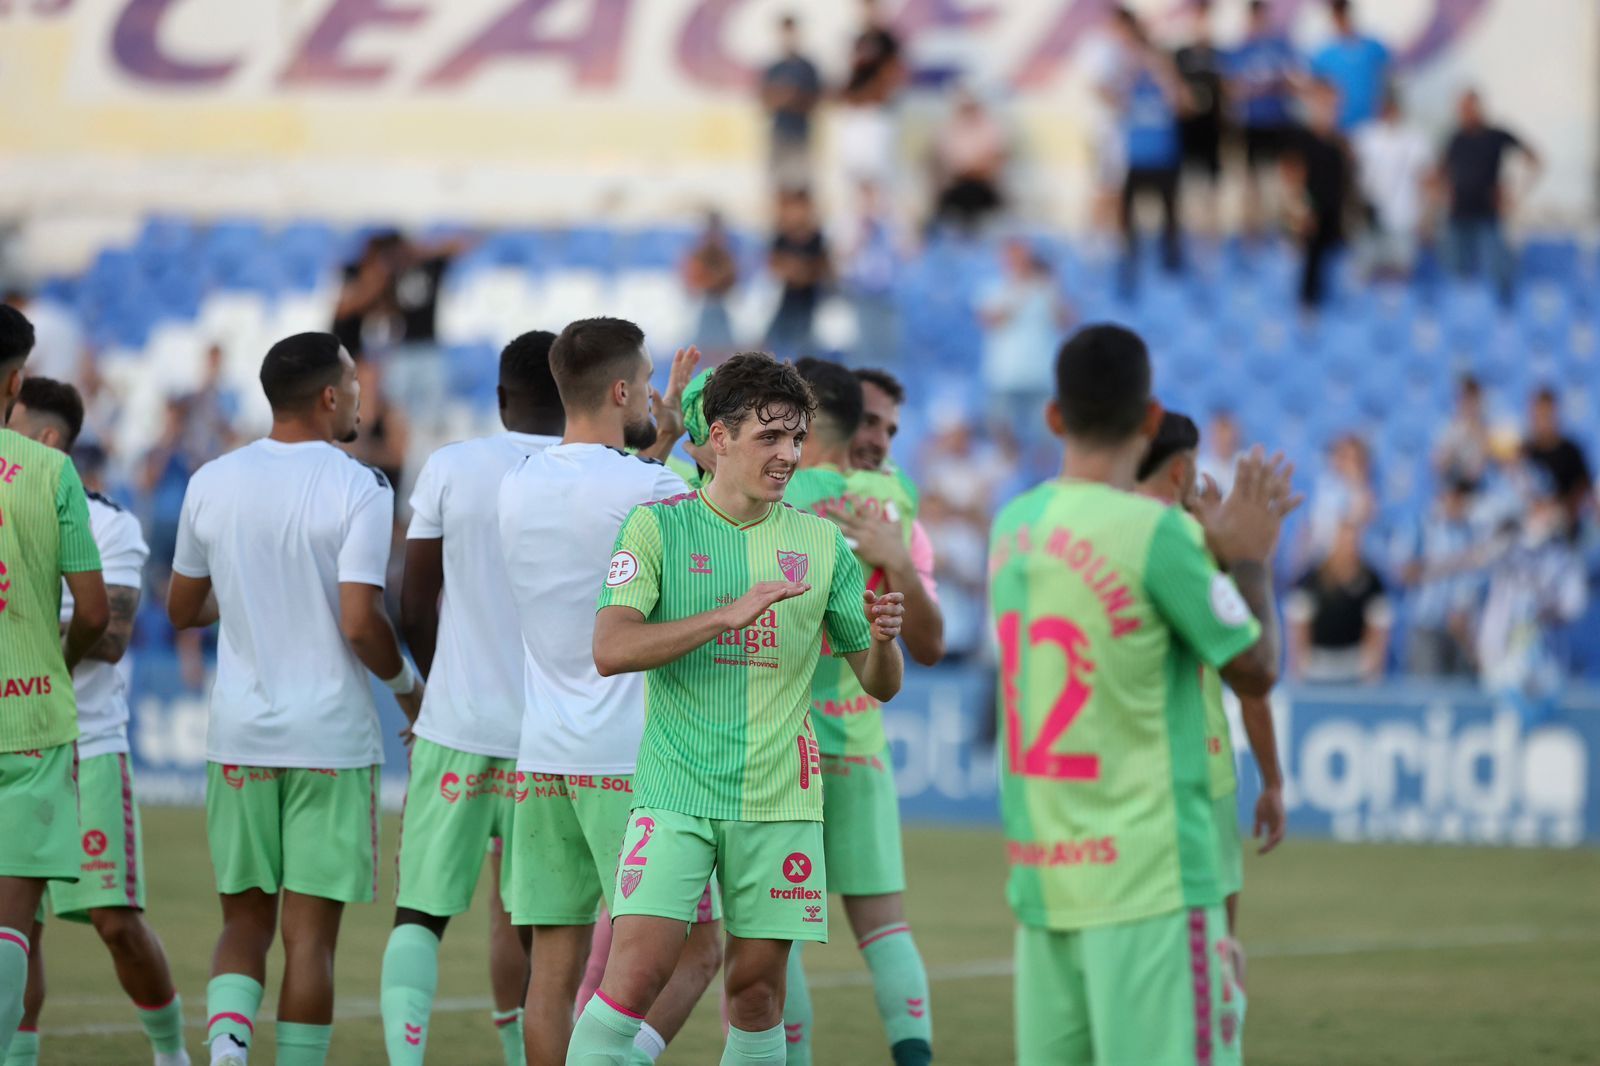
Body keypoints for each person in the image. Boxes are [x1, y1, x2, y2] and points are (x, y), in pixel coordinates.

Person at [567, 352, 906, 1065]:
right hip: (675, 792)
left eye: (795, 438)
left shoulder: (820, 544)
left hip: (779, 801)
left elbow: (880, 684)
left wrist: (882, 641)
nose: (787, 455)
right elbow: (611, 647)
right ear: (718, 437)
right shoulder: (656, 528)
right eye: (769, 438)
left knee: (757, 994)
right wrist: (727, 616)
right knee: (633, 978)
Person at [988, 323, 1294, 1065]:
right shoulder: (1158, 536)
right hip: (1147, 880)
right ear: (1150, 419)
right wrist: (1249, 561)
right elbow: (1253, 668)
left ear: (1055, 417)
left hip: (1045, 876)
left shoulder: (1015, 525)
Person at [167, 332, 426, 1066]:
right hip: (330, 742)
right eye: (352, 384)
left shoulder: (211, 481)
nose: (360, 397)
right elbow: (358, 621)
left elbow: (184, 608)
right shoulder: (360, 487)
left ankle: (225, 1051)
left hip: (240, 736)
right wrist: (410, 693)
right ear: (328, 397)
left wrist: (252, 588)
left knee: (242, 924)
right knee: (310, 939)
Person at [497, 320, 722, 1066]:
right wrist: (691, 434)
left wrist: (656, 444)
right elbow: (711, 549)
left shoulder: (519, 483)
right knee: (696, 949)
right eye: (648, 380)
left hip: (542, 758)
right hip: (633, 759)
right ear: (622, 390)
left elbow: (607, 504)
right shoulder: (651, 486)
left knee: (552, 976)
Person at [377, 330, 566, 1065]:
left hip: (456, 726)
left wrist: (435, 687)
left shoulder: (453, 466)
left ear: (498, 397)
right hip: (552, 740)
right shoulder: (603, 475)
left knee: (419, 913)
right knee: (539, 920)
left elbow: (413, 602)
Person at [6, 379, 187, 1066]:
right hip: (12, 739)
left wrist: (19, 633)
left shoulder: (109, 522)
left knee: (115, 923)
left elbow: (107, 634)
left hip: (87, 745)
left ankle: (172, 1054)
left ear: (49, 442)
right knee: (17, 925)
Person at [781, 360, 941, 1066]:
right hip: (862, 740)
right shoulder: (894, 496)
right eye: (872, 423)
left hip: (782, 746)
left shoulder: (770, 488)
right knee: (884, 929)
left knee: (768, 933)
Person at [0, 306, 110, 1064]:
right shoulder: (50, 470)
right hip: (31, 717)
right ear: (16, 379)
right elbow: (96, 613)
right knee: (11, 926)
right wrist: (58, 654)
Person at [1135, 412, 1287, 943]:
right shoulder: (1199, 555)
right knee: (1215, 945)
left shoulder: (1106, 542)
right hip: (1201, 772)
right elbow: (1252, 677)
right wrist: (1272, 781)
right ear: (1180, 470)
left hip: (1127, 778)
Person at [847, 367, 945, 670]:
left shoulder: (897, 512)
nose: (881, 442)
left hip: (859, 716)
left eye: (890, 432)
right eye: (868, 422)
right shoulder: (776, 490)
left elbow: (930, 649)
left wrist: (898, 561)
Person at [1440, 90, 1542, 304]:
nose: (1464, 113)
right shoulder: (1456, 138)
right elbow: (1442, 173)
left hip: (1488, 216)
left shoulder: (1496, 135)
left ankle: (1500, 316)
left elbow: (1534, 159)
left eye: (1467, 108)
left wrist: (1515, 193)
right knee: (1457, 274)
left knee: (1497, 272)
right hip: (1459, 215)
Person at [1112, 7, 1190, 289]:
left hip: (1164, 157)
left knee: (1169, 215)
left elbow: (1180, 104)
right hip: (1138, 157)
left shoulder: (1165, 76)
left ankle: (1171, 264)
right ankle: (1129, 263)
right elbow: (1115, 100)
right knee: (1129, 215)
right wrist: (1133, 70)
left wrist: (1161, 71)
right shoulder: (1129, 76)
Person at [978, 239, 1072, 439]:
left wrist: (1052, 287)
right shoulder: (995, 288)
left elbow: (1066, 321)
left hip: (1040, 376)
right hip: (1005, 377)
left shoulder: (1046, 288)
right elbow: (991, 320)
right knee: (1003, 439)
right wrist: (1020, 290)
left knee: (1044, 440)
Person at [1396, 476, 1482, 678]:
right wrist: (1453, 563)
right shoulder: (1421, 526)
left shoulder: (1475, 530)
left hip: (1464, 630)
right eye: (1455, 496)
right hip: (1428, 626)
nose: (1459, 502)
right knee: (1426, 696)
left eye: (1464, 496)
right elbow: (1405, 573)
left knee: (1463, 699)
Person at [1228, 1, 1301, 238]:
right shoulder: (1241, 50)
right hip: (1253, 123)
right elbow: (1233, 89)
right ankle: (1254, 234)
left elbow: (1296, 81)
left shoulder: (1280, 46)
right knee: (1252, 182)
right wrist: (1255, 87)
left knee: (1285, 180)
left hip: (1279, 121)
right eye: (1254, 17)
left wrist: (1278, 82)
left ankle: (1286, 229)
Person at [1287, 520, 1392, 683]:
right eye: (1343, 540)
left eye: (1352, 541)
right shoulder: (1310, 580)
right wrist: (1299, 669)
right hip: (1317, 664)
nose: (1348, 547)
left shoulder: (1372, 582)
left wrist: (1372, 672)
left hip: (1355, 664)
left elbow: (1378, 630)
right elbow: (1298, 627)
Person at [1283, 78, 1352, 310]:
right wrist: (1301, 211)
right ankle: (1307, 309)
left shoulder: (1340, 143)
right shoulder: (1302, 139)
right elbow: (1292, 177)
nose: (1330, 109)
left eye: (1333, 104)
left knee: (1334, 268)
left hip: (1334, 216)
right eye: (1324, 102)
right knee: (1309, 267)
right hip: (1310, 215)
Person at [1353, 90, 1433, 280]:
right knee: (1366, 265)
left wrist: (1426, 215)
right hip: (1370, 213)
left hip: (1403, 215)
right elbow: (1352, 171)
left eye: (1391, 107)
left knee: (1401, 266)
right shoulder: (1364, 136)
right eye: (1383, 107)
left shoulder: (1414, 138)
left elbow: (1426, 177)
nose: (1387, 111)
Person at [838, 0, 906, 186]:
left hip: (878, 114)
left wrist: (870, 93)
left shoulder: (887, 40)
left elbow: (893, 74)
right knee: (855, 173)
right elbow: (849, 75)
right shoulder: (857, 39)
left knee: (880, 174)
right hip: (855, 114)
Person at [1174, 1, 1227, 234]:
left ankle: (1210, 236)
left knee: (1212, 189)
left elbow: (1229, 93)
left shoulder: (1219, 55)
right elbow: (1173, 93)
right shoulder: (1180, 56)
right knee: (1188, 189)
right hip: (1187, 134)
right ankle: (1190, 236)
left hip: (1212, 132)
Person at [931, 87, 1009, 234]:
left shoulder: (992, 127)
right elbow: (951, 165)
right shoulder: (948, 129)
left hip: (985, 187)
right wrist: (974, 167)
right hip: (957, 188)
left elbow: (996, 160)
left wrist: (975, 168)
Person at [765, 190, 831, 358]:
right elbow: (775, 265)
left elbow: (821, 269)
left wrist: (801, 271)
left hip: (808, 304)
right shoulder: (781, 237)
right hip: (784, 302)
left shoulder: (816, 238)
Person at [761, 15, 823, 192]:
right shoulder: (774, 68)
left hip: (801, 134)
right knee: (777, 183)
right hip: (779, 132)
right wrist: (785, 97)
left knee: (801, 184)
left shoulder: (807, 67)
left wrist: (791, 98)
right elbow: (766, 100)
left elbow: (815, 99)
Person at [1309, 0, 1391, 131]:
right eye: (1338, 15)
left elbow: (1387, 79)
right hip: (1340, 125)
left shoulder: (1373, 47)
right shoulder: (1323, 55)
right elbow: (1318, 92)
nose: (1342, 19)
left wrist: (1386, 108)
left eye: (1344, 13)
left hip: (1372, 122)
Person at [1522, 387, 1593, 533]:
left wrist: (1561, 507)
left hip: (1564, 525)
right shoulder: (1526, 452)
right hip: (1530, 519)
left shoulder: (1571, 452)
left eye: (1546, 415)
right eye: (1538, 415)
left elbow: (1583, 491)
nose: (1542, 421)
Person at [682, 213, 739, 354]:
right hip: (707, 308)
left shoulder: (724, 255)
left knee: (720, 352)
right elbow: (692, 282)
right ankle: (707, 375)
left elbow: (730, 279)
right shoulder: (700, 255)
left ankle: (712, 374)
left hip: (718, 309)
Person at [1433, 374, 1491, 489]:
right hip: (1452, 489)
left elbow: (1475, 473)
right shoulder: (1450, 429)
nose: (1470, 406)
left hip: (1478, 493)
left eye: (1474, 400)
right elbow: (1438, 464)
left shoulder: (1487, 431)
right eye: (1466, 400)